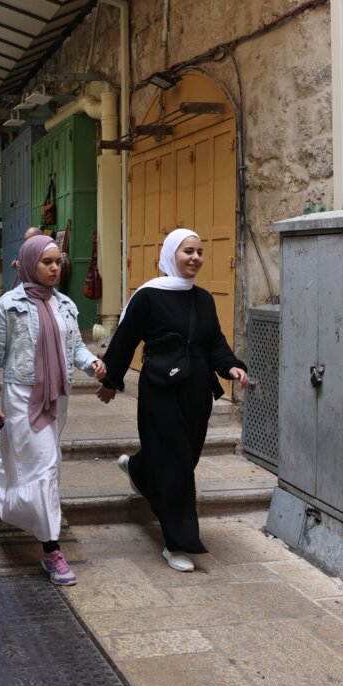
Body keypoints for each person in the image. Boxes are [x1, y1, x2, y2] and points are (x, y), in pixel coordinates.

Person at [97, 228, 250, 572]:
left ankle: (138, 469)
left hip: (197, 392)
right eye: (188, 252)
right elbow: (125, 338)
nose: (195, 258)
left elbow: (215, 344)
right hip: (160, 392)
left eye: (199, 252)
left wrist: (233, 368)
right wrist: (111, 379)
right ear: (170, 256)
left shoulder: (204, 299)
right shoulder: (148, 296)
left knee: (185, 458)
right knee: (177, 465)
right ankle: (178, 544)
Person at [0, 236, 106, 586]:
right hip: (22, 397)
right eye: (46, 262)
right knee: (45, 467)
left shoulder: (65, 305)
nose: (54, 268)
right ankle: (51, 550)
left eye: (57, 262)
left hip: (57, 397)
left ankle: (4, 494)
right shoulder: (8, 306)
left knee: (42, 466)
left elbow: (75, 346)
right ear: (30, 262)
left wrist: (91, 361)